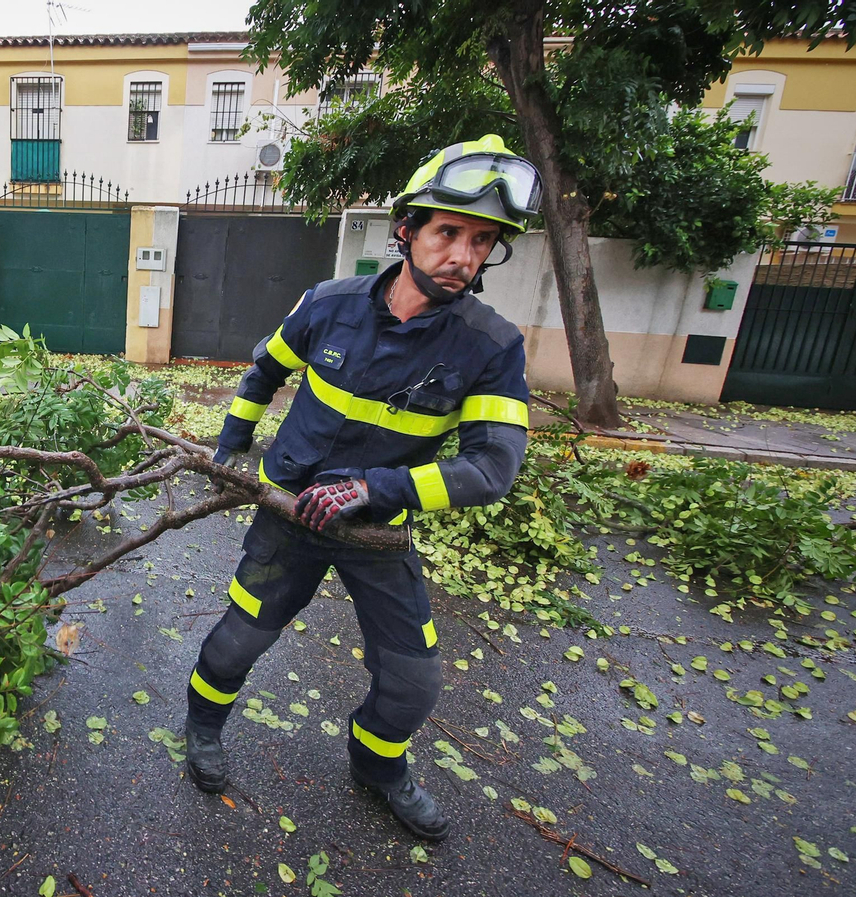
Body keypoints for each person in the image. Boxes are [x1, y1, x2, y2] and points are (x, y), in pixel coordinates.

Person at [183, 135, 538, 842]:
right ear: (406, 229)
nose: (464, 256)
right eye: (448, 232)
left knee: (414, 683)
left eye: (482, 241)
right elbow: (262, 374)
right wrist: (231, 447)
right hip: (289, 516)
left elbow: (494, 468)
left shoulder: (491, 346)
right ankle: (202, 730)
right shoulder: (328, 304)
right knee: (235, 643)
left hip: (378, 528)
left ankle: (377, 769)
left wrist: (378, 488)